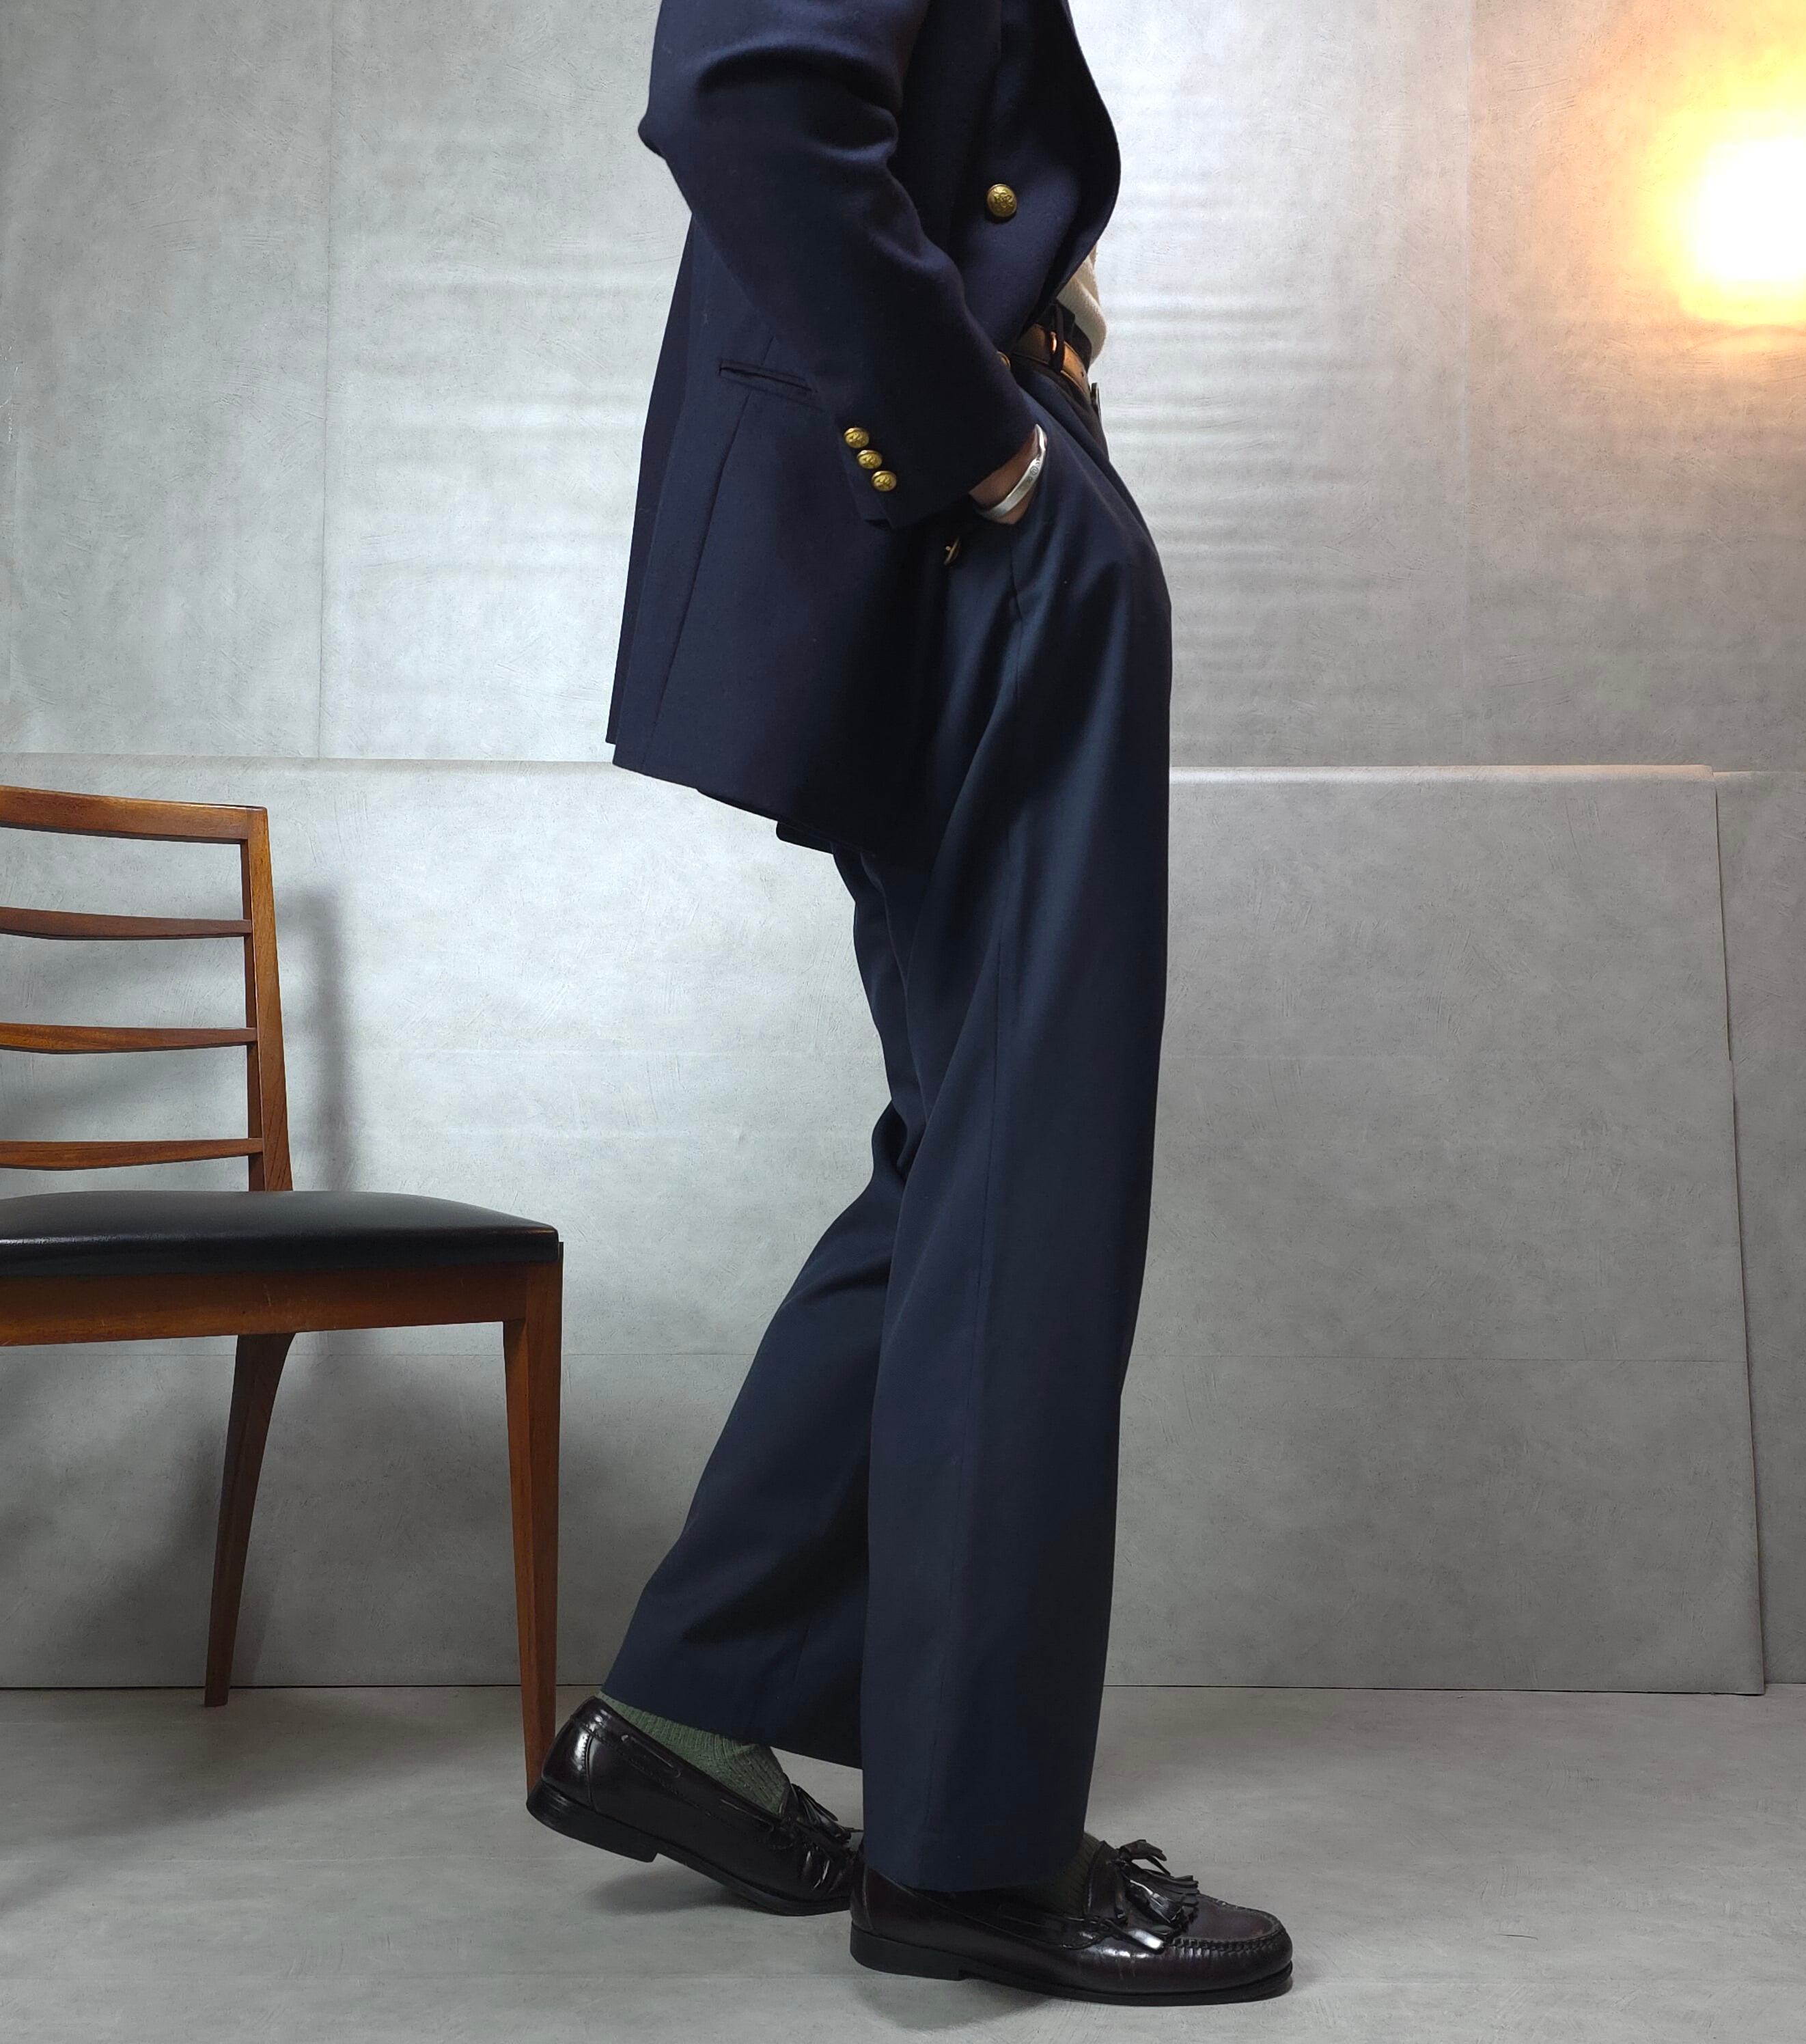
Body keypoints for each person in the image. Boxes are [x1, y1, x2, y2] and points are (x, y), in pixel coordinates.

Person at [527, 0, 1292, 2006]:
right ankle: (975, 1854)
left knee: (973, 1146)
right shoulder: (975, 469)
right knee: (1027, 1169)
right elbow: (748, 92)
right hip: (967, 512)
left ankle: (689, 1711)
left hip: (964, 514)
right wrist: (983, 445)